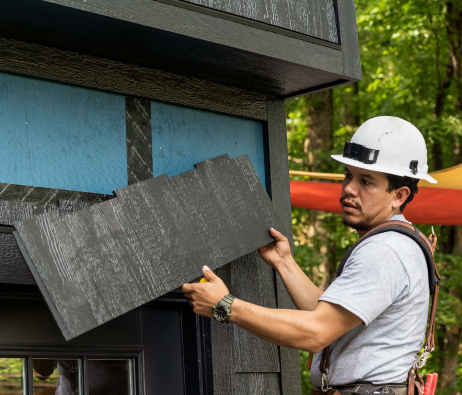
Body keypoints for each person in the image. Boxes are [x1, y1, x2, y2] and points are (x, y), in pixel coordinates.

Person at [182, 116, 438, 394]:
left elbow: (317, 332)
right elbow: (329, 314)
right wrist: (284, 263)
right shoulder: (397, 243)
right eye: (348, 176)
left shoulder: (385, 251)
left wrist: (225, 305)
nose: (349, 188)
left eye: (366, 181)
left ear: (399, 195)